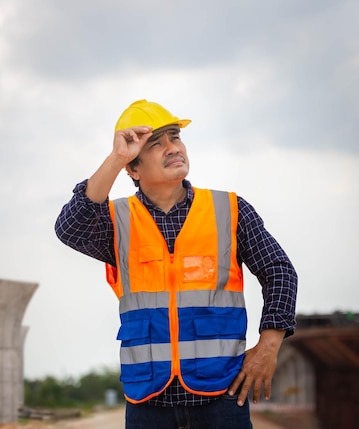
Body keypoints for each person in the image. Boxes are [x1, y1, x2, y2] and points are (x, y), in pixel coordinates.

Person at [55, 99, 298, 429]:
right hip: (148, 404)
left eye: (175, 138)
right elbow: (69, 227)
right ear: (134, 168)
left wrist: (269, 346)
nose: (172, 148)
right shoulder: (117, 222)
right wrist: (115, 159)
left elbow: (279, 270)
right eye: (156, 144)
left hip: (222, 399)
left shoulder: (229, 210)